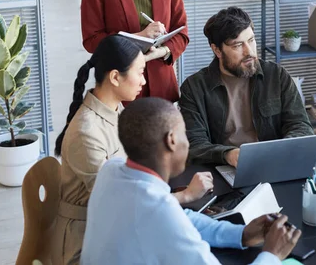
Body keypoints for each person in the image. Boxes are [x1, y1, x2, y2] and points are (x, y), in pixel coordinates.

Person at [81, 97, 302, 264]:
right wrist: (272, 254)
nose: (188, 142)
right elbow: (169, 217)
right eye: (185, 133)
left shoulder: (111, 171)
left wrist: (240, 234)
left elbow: (182, 219)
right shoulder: (157, 210)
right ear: (171, 141)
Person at [51, 35, 212, 265]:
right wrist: (184, 196)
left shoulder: (115, 108)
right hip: (87, 243)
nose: (144, 81)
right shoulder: (87, 133)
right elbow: (117, 205)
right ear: (115, 77)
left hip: (114, 227)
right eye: (140, 72)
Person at [179, 7, 314, 166]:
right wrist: (228, 155)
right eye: (237, 45)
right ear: (217, 50)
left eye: (251, 40)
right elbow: (194, 144)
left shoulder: (276, 76)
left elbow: (301, 126)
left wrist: (278, 151)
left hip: (271, 162)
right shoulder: (194, 88)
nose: (249, 52)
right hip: (222, 168)